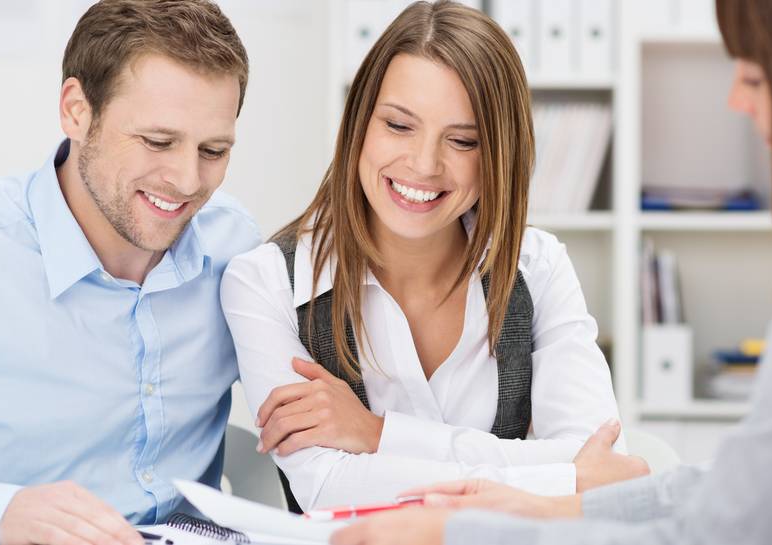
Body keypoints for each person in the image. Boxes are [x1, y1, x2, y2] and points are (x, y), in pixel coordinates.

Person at [330, 0, 772, 543]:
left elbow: (740, 522)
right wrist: (559, 505)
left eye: (756, 75)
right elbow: (748, 484)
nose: (736, 100)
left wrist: (459, 533)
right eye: (399, 125)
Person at [220, 0, 646, 514]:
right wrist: (558, 479)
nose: (424, 164)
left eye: (463, 140)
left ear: (498, 156)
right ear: (360, 126)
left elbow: (604, 464)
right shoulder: (265, 282)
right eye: (399, 126)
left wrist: (379, 435)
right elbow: (327, 486)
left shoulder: (537, 267)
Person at [0, 1, 260, 544]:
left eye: (214, 150)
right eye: (157, 141)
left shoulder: (234, 246)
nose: (185, 179)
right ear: (76, 111)